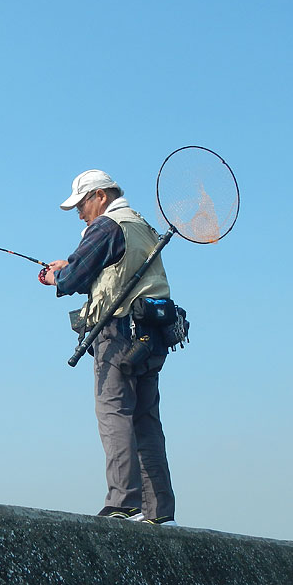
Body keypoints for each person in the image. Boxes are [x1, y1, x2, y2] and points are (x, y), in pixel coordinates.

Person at [41, 169, 177, 526]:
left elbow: (74, 278)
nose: (80, 214)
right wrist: (70, 263)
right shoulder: (139, 224)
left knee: (113, 413)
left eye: (81, 205)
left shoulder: (106, 225)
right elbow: (111, 263)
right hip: (153, 334)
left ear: (100, 196)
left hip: (118, 333)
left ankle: (122, 501)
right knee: (146, 420)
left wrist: (59, 274)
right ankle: (159, 510)